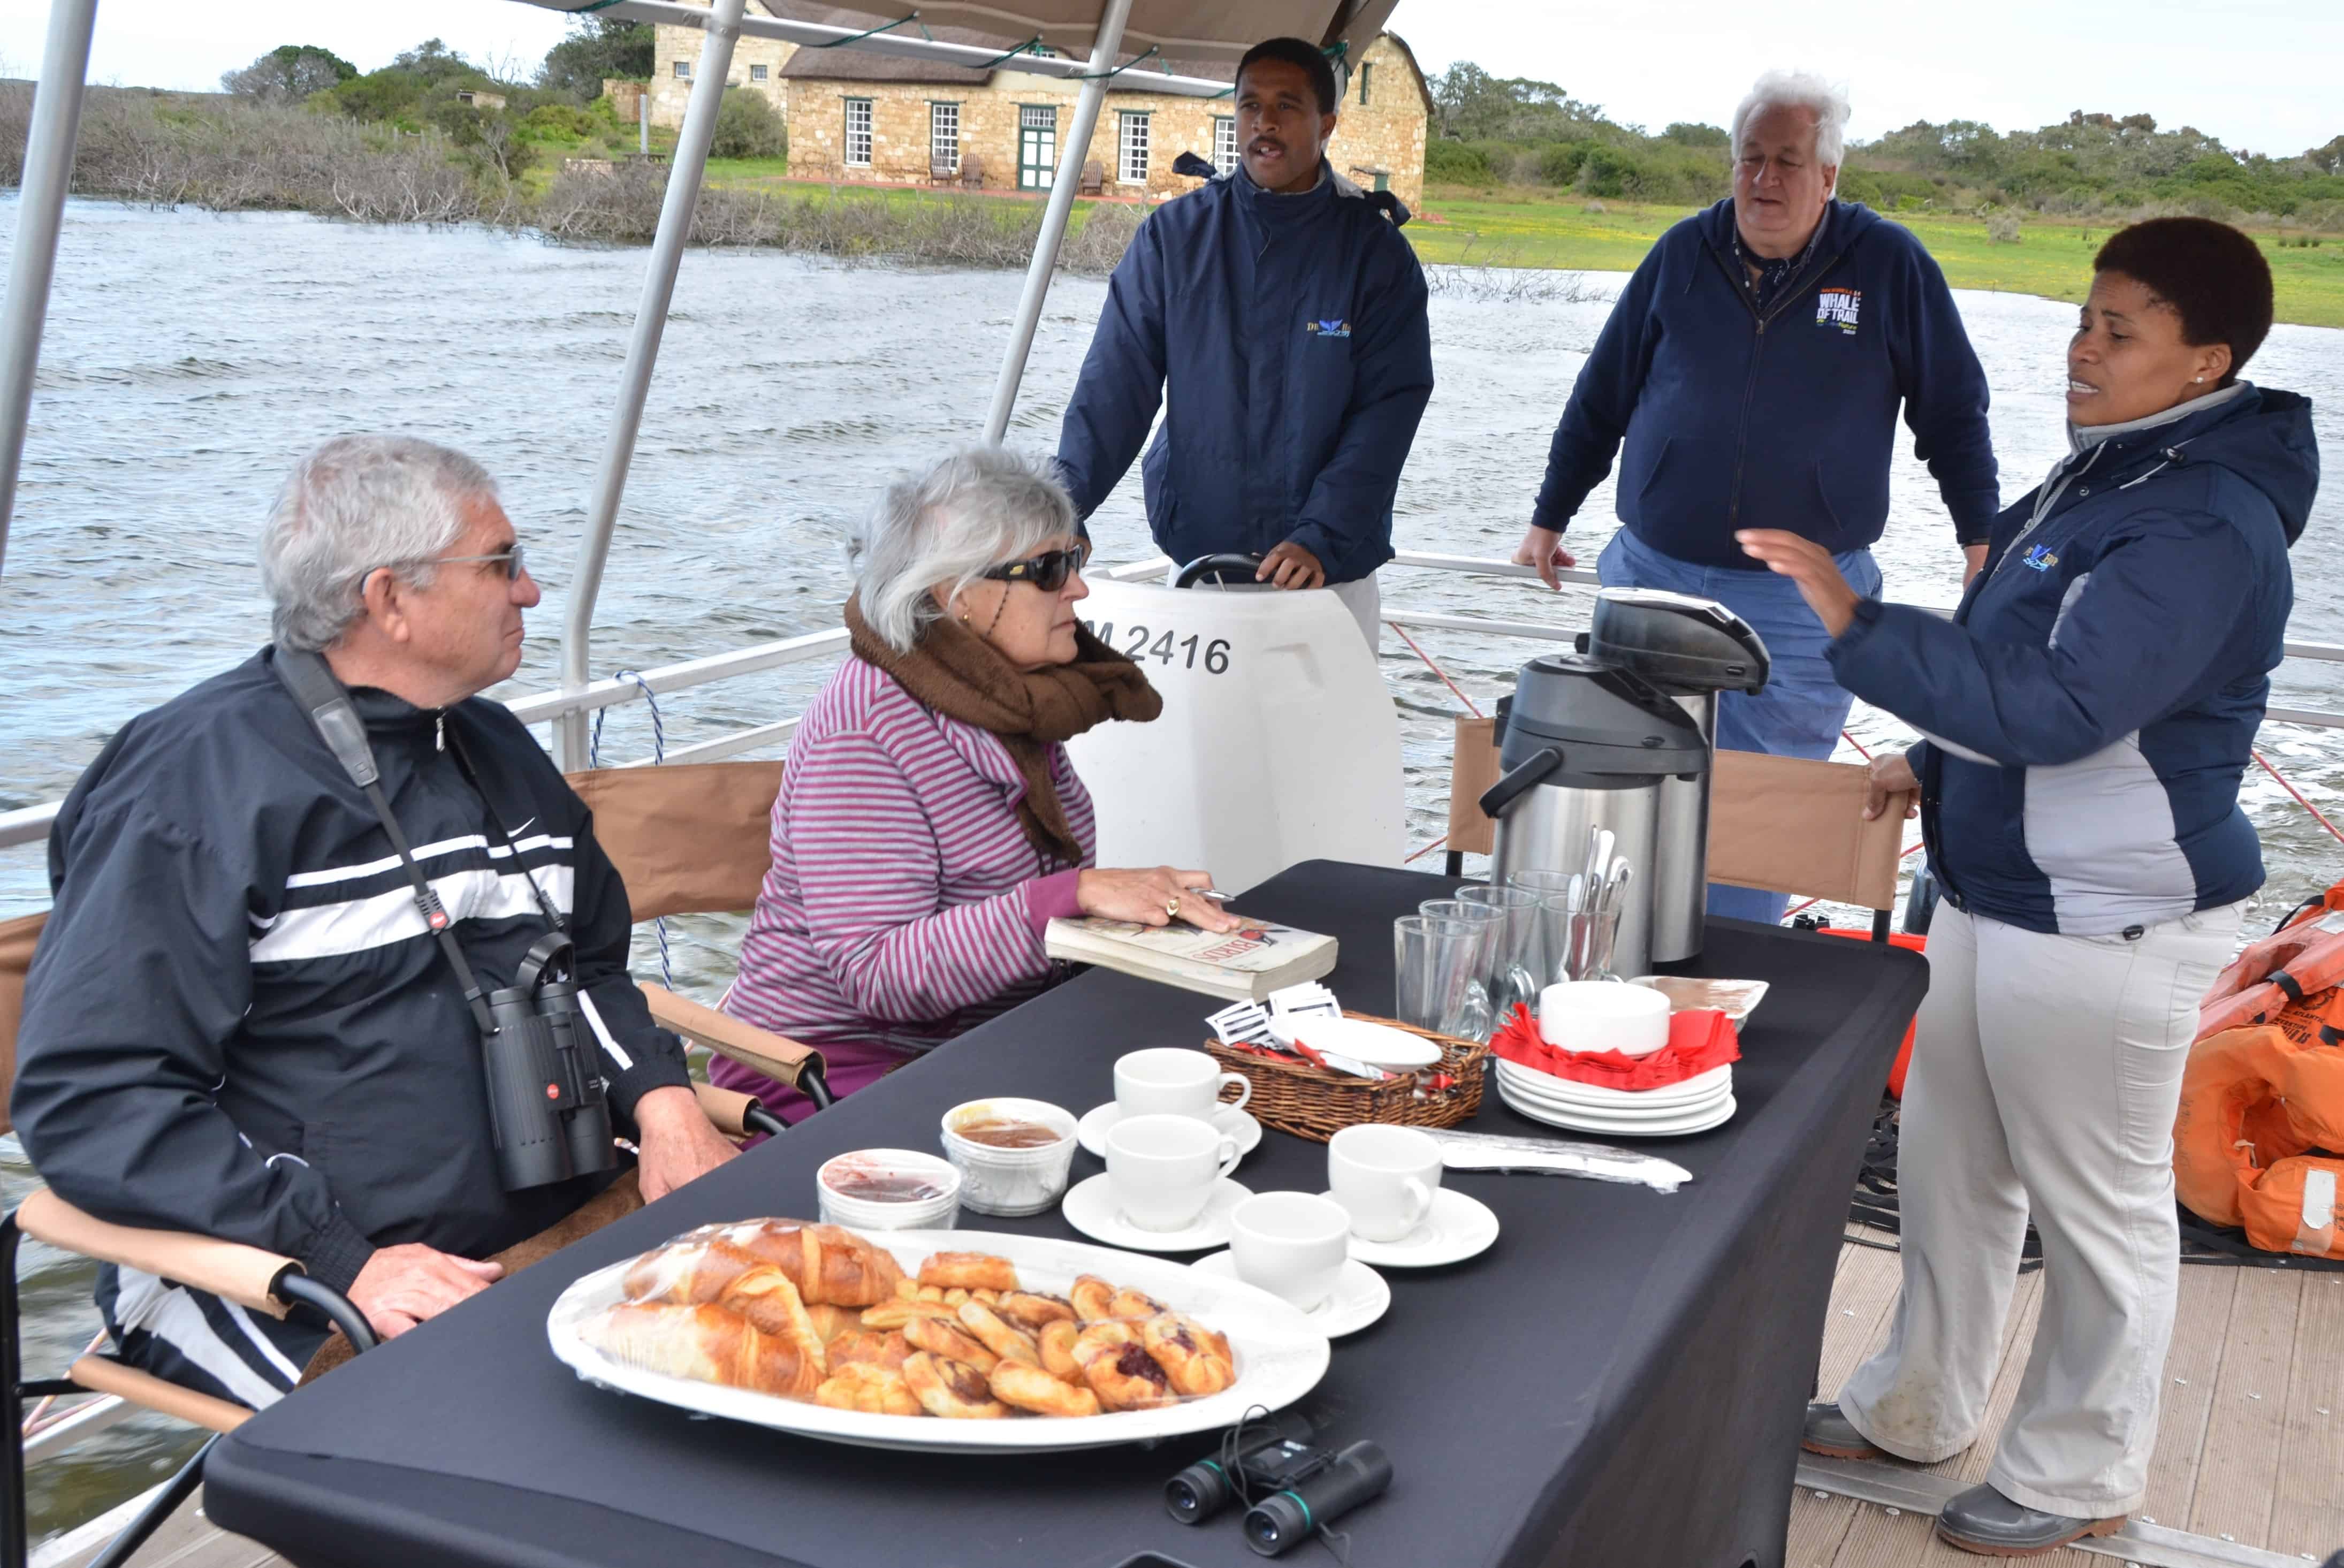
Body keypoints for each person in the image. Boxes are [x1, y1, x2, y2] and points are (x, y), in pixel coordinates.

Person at [1743, 219, 2312, 1557]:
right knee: (1952, 1169)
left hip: (2108, 908)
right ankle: (1912, 1405)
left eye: (2120, 329)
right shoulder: (2106, 473)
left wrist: (1853, 625)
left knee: (2095, 1206)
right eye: (2084, 315)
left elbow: (2064, 707)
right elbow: (2010, 656)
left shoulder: (2201, 518)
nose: (2081, 345)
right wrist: (1926, 761)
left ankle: (2075, 1470)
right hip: (1991, 884)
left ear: (2204, 359)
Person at [11, 436, 740, 1406]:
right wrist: (338, 1257)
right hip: (293, 1277)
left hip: (559, 1213)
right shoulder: (191, 789)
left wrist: (663, 1100)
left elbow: (591, 967)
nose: (528, 593)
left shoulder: (490, 742)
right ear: (390, 600)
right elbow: (91, 1096)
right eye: (503, 564)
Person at [1511, 69, 1999, 924]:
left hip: (1802, 599)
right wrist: (1549, 516)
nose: (1765, 180)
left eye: (1787, 161)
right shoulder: (1680, 254)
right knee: (1628, 789)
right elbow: (1602, 396)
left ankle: (1730, 995)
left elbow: (1954, 416)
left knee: (1762, 810)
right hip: (1651, 577)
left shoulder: (1890, 266)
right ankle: (1615, 975)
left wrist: (1980, 542)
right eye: (1750, 160)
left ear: (1830, 177)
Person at [713, 446, 1240, 1119]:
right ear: (954, 594)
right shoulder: (867, 728)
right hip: (835, 1067)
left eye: (1074, 558)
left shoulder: (1011, 700)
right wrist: (1073, 895)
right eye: (1050, 570)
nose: (1078, 588)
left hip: (984, 1039)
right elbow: (880, 974)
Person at [1053, 35, 1434, 652]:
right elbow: (1115, 388)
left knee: (1321, 751)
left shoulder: (1375, 254)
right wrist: (1061, 508)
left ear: (1327, 123)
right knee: (1200, 748)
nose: (1266, 121)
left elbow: (1389, 410)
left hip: (1328, 578)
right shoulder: (1173, 240)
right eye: (1251, 104)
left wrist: (1323, 534)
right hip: (1202, 563)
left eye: (1288, 105)